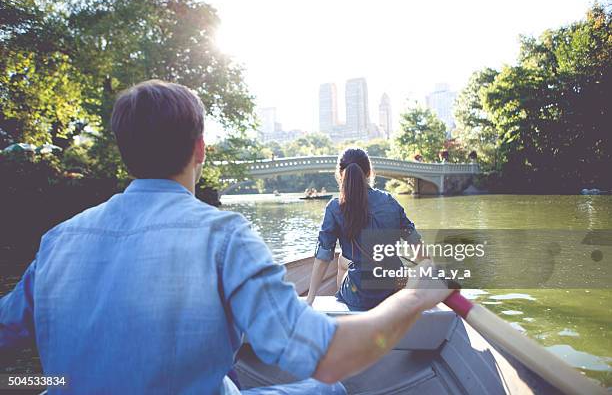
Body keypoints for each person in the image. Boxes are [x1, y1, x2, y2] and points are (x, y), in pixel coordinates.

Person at [0, 80, 451, 394]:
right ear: (199, 150)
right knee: (327, 388)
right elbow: (328, 358)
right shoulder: (225, 236)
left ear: (125, 151)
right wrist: (415, 297)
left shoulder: (58, 240)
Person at [307, 148, 423, 310]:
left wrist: (310, 297)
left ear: (341, 175)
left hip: (361, 297)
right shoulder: (389, 201)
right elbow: (417, 245)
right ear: (369, 172)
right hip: (393, 288)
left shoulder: (334, 207)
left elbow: (324, 255)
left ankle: (342, 303)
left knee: (342, 260)